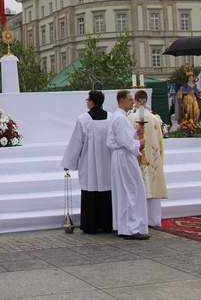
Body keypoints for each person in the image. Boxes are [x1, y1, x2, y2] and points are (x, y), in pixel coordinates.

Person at [61, 90, 112, 233]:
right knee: (106, 193)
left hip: (90, 165)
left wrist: (68, 163)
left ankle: (91, 226)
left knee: (91, 192)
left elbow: (76, 143)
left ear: (91, 102)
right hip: (107, 163)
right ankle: (107, 224)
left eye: (87, 100)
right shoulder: (111, 118)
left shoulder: (83, 119)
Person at [108, 90, 149, 240]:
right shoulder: (120, 118)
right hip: (124, 156)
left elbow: (123, 137)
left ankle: (124, 225)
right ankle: (131, 227)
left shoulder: (119, 117)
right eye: (130, 100)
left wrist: (135, 133)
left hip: (122, 156)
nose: (133, 102)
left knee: (126, 190)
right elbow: (124, 142)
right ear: (122, 101)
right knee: (131, 189)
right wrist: (139, 143)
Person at [128, 90, 168, 227]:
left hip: (137, 157)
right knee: (153, 183)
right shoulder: (155, 119)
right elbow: (160, 141)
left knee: (140, 187)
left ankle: (140, 219)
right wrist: (160, 158)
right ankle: (154, 219)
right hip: (153, 157)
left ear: (137, 101)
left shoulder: (131, 118)